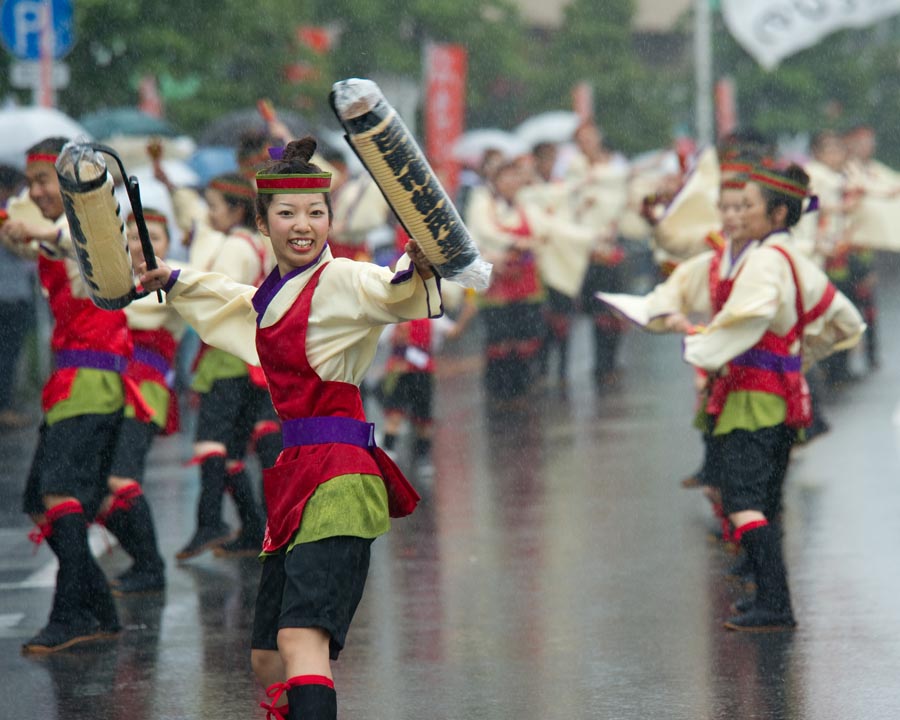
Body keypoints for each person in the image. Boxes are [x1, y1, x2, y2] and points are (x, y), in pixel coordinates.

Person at [139, 137, 441, 720]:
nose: (303, 226)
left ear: (329, 217)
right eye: (287, 214)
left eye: (315, 213)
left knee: (302, 641)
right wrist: (171, 279)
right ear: (262, 222)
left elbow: (389, 286)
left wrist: (415, 264)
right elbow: (236, 301)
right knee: (266, 658)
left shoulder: (344, 280)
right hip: (295, 481)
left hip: (340, 478)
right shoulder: (274, 296)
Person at [683, 165, 865, 631]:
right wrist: (799, 356)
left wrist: (703, 352)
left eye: (747, 206)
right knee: (763, 499)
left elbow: (747, 318)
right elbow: (847, 320)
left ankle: (776, 604)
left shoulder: (765, 261)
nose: (737, 214)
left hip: (754, 396)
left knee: (743, 499)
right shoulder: (787, 256)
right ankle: (769, 597)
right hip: (785, 395)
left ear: (777, 212)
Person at [0, 137, 140, 652]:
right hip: (70, 384)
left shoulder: (94, 228)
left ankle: (72, 612)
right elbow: (32, 236)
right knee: (40, 501)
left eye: (43, 182)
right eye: (32, 183)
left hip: (93, 380)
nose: (35, 192)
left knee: (62, 494)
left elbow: (68, 240)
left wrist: (36, 229)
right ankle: (98, 606)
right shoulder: (53, 231)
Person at [158, 169, 270, 559]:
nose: (209, 215)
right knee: (234, 451)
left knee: (211, 440)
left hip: (228, 358)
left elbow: (214, 289)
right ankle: (253, 528)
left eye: (214, 208)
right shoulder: (249, 242)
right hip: (241, 359)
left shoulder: (236, 247)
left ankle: (210, 521)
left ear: (237, 210)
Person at [95, 209, 182, 596]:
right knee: (95, 486)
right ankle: (146, 563)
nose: (142, 245)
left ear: (168, 245)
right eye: (132, 237)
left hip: (145, 391)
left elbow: (137, 313)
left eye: (153, 238)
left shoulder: (171, 283)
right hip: (108, 388)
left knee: (120, 478)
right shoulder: (116, 284)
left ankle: (151, 567)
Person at [0, 165, 35, 429]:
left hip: (12, 293)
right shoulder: (6, 215)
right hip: (10, 295)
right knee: (8, 353)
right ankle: (4, 407)